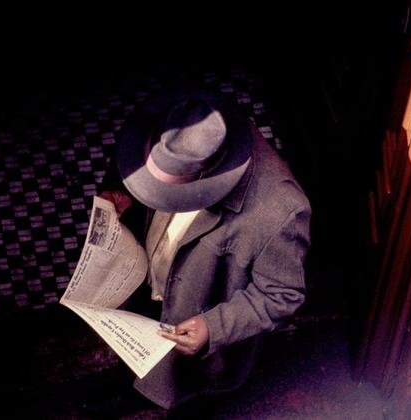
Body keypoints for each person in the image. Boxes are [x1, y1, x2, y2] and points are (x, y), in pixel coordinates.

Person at [99, 86, 311, 414]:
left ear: (205, 176)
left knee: (188, 399)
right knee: (137, 357)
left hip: (198, 330)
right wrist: (123, 190)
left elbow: (282, 294)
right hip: (149, 285)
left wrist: (213, 327)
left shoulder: (281, 210)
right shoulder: (182, 123)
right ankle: (134, 389)